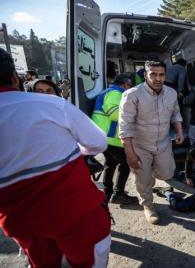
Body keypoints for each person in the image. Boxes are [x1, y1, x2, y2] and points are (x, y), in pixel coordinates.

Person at [0, 48, 111, 267]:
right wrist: (72, 151)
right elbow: (98, 143)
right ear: (15, 77)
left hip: (22, 226)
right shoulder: (54, 106)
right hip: (78, 218)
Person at [119, 60, 184, 225]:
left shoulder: (171, 93)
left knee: (167, 174)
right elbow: (125, 126)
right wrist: (130, 153)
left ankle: (150, 173)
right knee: (144, 179)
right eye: (153, 74)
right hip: (140, 146)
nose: (157, 78)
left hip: (163, 143)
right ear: (145, 75)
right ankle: (148, 205)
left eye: (161, 74)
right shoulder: (132, 95)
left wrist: (179, 131)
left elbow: (176, 113)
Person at [92, 74, 138, 204]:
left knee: (110, 164)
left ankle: (108, 192)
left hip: (105, 137)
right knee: (127, 163)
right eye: (130, 86)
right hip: (111, 138)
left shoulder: (111, 92)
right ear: (125, 84)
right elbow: (114, 114)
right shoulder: (115, 93)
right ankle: (118, 193)